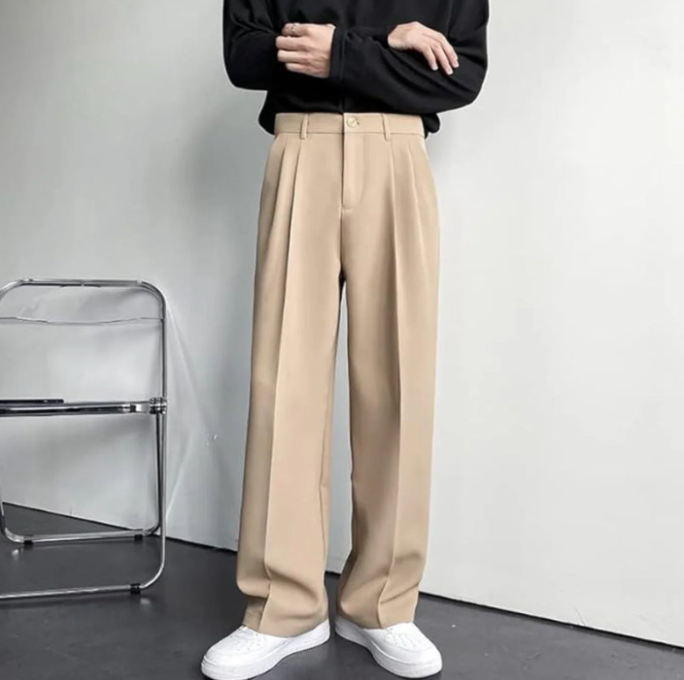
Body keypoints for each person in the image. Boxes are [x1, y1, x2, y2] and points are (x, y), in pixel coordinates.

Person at [202, 1, 489, 678]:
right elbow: (245, 53)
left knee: (397, 382)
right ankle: (283, 608)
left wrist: (340, 52)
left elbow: (461, 74)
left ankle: (381, 606)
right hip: (300, 148)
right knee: (285, 384)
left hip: (398, 153)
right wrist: (389, 45)